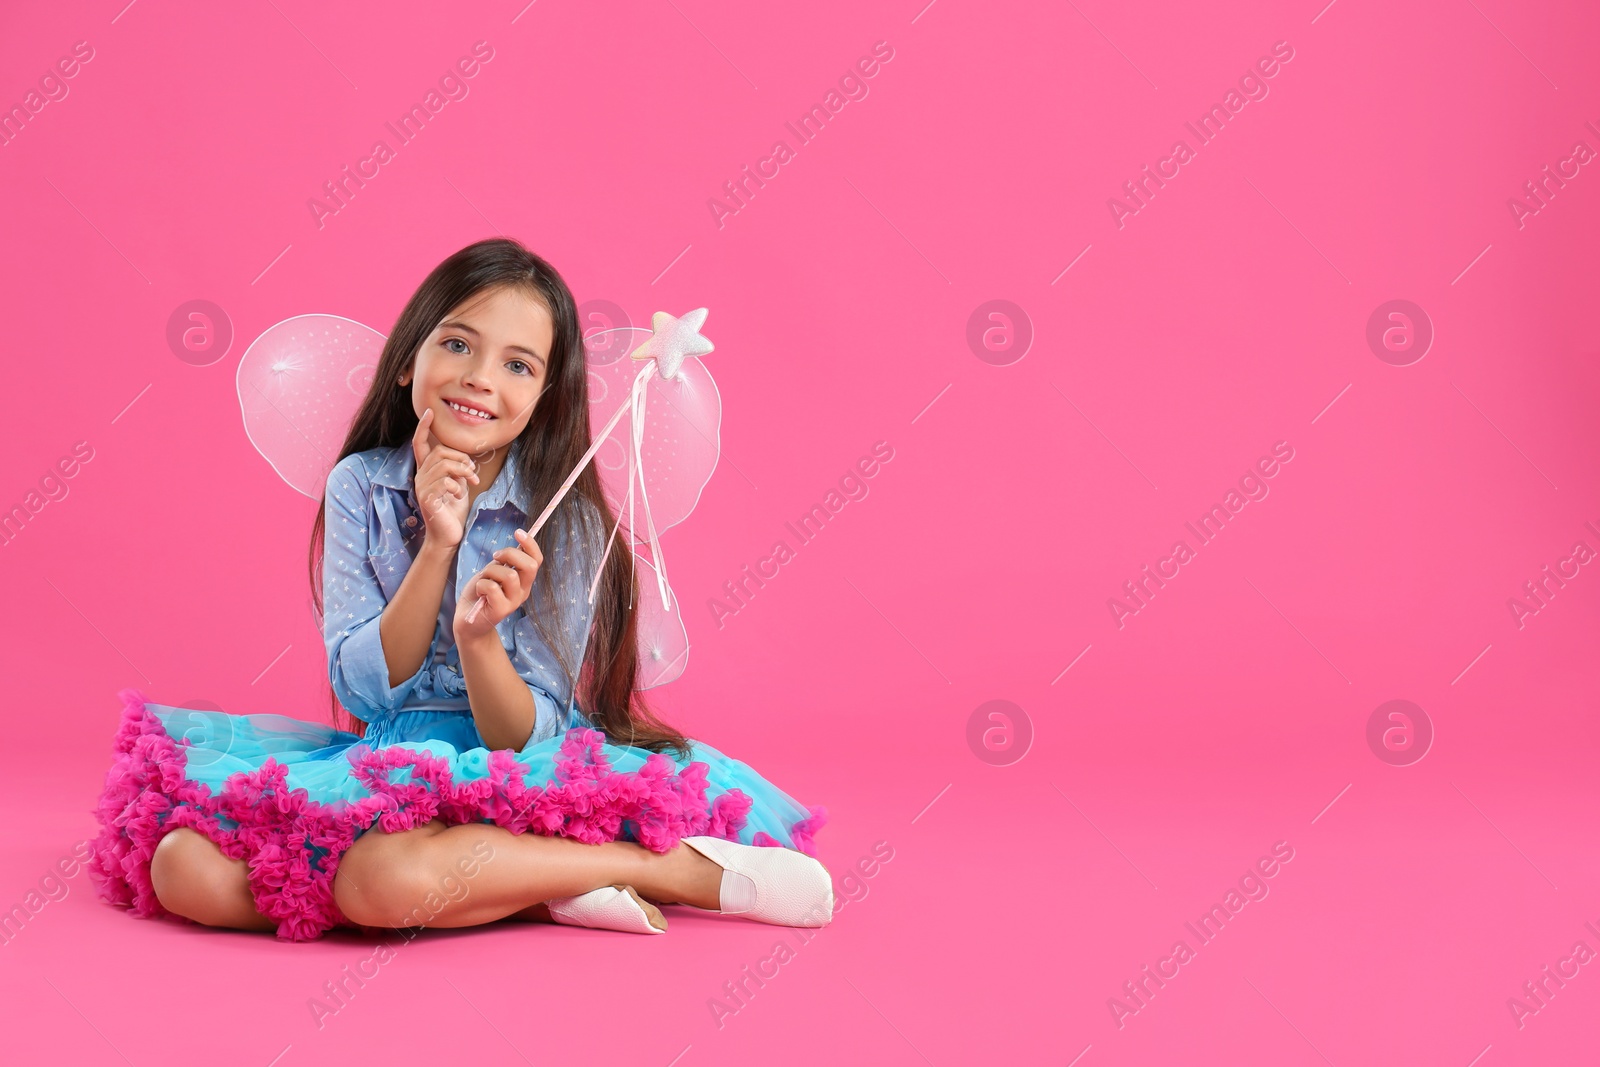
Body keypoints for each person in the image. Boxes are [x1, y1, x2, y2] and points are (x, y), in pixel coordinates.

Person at [88, 237, 832, 942]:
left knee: (379, 879)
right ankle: (537, 891)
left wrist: (480, 639)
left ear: (545, 397)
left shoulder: (563, 522)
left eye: (518, 365)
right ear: (409, 360)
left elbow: (526, 736)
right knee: (182, 867)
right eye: (457, 343)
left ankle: (663, 868)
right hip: (390, 755)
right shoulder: (363, 486)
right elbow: (366, 689)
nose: (479, 376)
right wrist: (437, 544)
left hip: (514, 768)